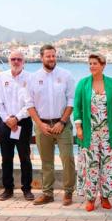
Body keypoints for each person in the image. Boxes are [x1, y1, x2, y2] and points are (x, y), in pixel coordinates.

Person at [26, 44, 76, 206]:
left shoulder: (66, 75)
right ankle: (47, 193)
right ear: (41, 58)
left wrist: (62, 122)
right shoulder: (33, 78)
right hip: (43, 126)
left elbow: (71, 100)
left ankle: (68, 192)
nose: (51, 59)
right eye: (48, 56)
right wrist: (39, 124)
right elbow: (29, 103)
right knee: (46, 161)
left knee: (67, 158)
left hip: (63, 125)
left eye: (53, 55)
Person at [74, 53, 112, 211]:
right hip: (90, 134)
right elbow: (77, 107)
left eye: (95, 63)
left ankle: (105, 197)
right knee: (90, 166)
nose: (92, 66)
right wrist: (79, 127)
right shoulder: (83, 84)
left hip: (108, 134)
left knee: (108, 165)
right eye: (90, 63)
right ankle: (90, 198)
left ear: (103, 65)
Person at [0, 51, 34, 201]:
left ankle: (27, 189)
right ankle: (8, 189)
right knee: (6, 158)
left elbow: (31, 102)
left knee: (25, 157)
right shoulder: (1, 77)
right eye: (13, 59)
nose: (16, 61)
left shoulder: (30, 78)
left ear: (24, 61)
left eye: (19, 59)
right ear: (8, 60)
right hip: (5, 122)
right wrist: (7, 119)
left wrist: (17, 118)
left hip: (23, 122)